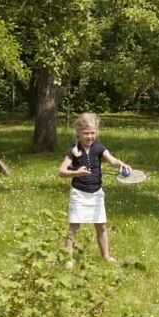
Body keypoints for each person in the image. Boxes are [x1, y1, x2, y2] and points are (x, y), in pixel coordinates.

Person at [57, 113, 131, 265]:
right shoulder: (74, 151)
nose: (89, 136)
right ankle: (67, 260)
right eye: (86, 133)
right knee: (73, 228)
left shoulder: (99, 148)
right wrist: (77, 172)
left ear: (96, 132)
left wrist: (122, 165)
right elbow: (61, 172)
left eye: (92, 133)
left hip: (96, 194)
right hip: (79, 194)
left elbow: (112, 160)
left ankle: (106, 256)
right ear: (78, 133)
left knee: (101, 227)